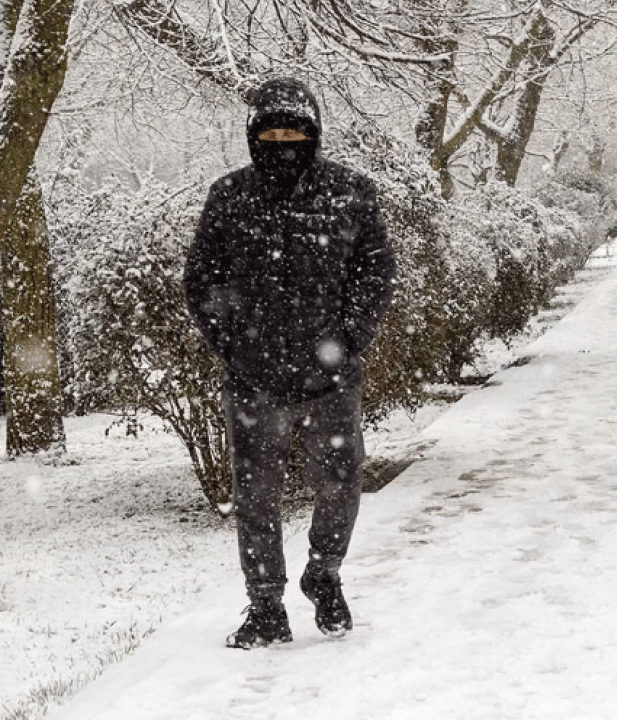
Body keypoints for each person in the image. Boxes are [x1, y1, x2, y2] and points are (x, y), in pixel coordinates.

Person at [184, 77, 397, 649]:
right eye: (271, 130)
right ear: (254, 134)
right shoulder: (228, 196)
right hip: (254, 381)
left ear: (313, 132)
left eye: (294, 130)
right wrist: (233, 346)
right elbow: (201, 280)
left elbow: (375, 271)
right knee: (255, 496)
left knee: (341, 483)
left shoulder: (350, 192)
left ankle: (324, 573)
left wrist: (350, 340)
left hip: (330, 377)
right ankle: (265, 606)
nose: (283, 140)